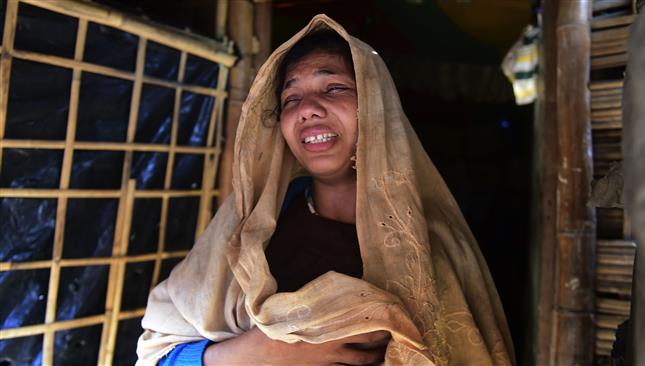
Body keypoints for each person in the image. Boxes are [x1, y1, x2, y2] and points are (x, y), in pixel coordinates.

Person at [136, 15, 514, 365]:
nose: (308, 109)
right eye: (291, 98)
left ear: (376, 106)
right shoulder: (248, 231)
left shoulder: (433, 245)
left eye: (333, 88)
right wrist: (256, 353)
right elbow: (155, 355)